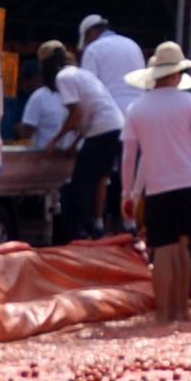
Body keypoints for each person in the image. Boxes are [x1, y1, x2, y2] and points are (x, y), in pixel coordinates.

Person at [118, 41, 191, 325]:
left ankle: (164, 313)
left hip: (159, 188)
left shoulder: (136, 109)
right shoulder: (189, 102)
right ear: (177, 74)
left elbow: (130, 156)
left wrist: (128, 193)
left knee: (162, 250)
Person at [41, 39, 125, 243]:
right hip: (114, 126)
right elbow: (88, 112)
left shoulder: (63, 77)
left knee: (80, 181)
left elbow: (76, 114)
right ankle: (97, 225)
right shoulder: (81, 73)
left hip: (102, 129)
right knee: (100, 179)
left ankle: (81, 229)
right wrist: (72, 144)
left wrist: (55, 140)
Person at [81, 16, 149, 120]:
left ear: (91, 32)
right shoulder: (132, 45)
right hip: (138, 111)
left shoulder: (93, 49)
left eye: (86, 39)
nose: (87, 43)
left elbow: (88, 88)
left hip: (109, 115)